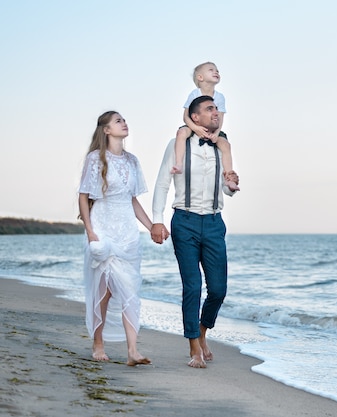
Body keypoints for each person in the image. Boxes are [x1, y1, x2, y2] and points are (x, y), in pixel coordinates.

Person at [151, 95, 239, 368]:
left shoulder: (221, 147)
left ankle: (202, 331)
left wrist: (231, 185)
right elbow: (163, 183)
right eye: (210, 109)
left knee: (218, 290)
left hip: (214, 222)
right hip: (184, 221)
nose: (216, 113)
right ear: (195, 116)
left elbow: (224, 187)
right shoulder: (177, 146)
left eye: (217, 108)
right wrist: (157, 220)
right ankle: (194, 349)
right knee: (192, 286)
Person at [78, 111, 153, 367]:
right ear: (107, 130)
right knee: (105, 290)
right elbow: (83, 196)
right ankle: (98, 342)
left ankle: (133, 350)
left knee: (130, 287)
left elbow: (133, 200)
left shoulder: (133, 161)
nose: (124, 123)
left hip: (127, 232)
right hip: (103, 227)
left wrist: (152, 226)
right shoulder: (95, 159)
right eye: (118, 120)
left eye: (124, 120)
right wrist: (90, 231)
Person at [170, 61, 239, 192]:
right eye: (211, 70)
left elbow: (220, 117)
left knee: (225, 145)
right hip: (193, 125)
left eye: (217, 70)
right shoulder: (195, 94)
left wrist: (216, 133)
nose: (216, 72)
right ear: (200, 77)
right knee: (181, 134)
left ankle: (229, 177)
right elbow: (186, 116)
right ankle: (179, 163)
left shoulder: (220, 97)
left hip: (214, 128)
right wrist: (195, 128)